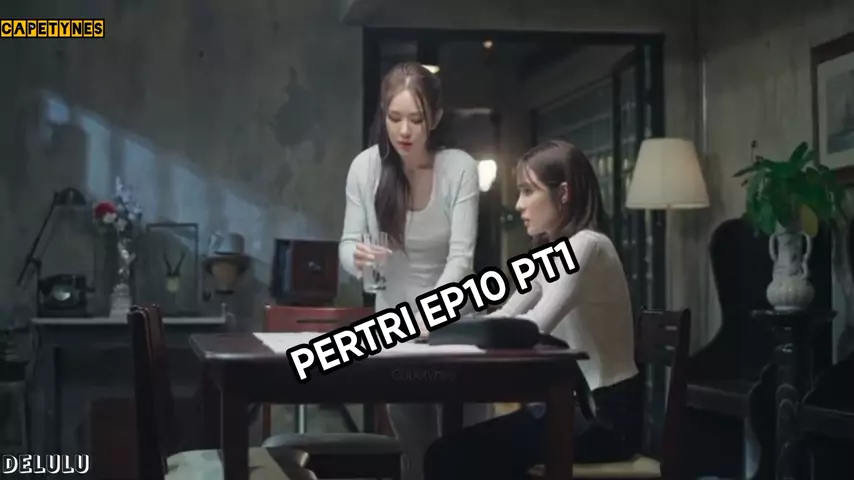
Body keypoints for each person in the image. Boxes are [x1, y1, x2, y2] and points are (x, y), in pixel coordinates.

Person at [422, 140, 642, 480]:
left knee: (449, 456)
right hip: (573, 409)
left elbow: (532, 327)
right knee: (450, 453)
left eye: (528, 191)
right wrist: (439, 328)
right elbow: (504, 318)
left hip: (605, 421)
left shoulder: (587, 246)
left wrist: (450, 329)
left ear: (564, 193)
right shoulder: (555, 254)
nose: (518, 204)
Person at [338, 61, 492, 480]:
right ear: (383, 114)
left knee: (465, 451)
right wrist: (356, 257)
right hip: (396, 331)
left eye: (416, 119)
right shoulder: (366, 168)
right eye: (394, 118)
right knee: (415, 453)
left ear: (435, 118)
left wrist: (429, 316)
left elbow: (461, 259)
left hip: (452, 327)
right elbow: (348, 244)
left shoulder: (459, 168)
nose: (404, 130)